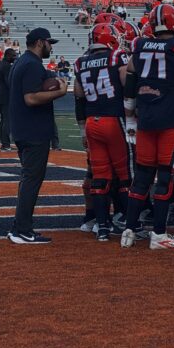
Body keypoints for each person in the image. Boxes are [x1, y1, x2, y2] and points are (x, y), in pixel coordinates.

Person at [120, 4, 174, 250]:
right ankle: (158, 233)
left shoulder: (139, 44)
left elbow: (130, 81)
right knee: (165, 177)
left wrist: (129, 117)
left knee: (142, 176)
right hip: (171, 119)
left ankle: (129, 230)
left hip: (146, 118)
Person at [7, 28, 68, 244]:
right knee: (32, 180)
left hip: (24, 128)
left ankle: (20, 227)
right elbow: (31, 98)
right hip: (33, 130)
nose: (51, 47)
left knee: (28, 179)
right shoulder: (32, 64)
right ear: (41, 42)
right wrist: (59, 92)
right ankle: (22, 229)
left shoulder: (22, 62)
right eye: (50, 43)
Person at [73, 24, 131, 241]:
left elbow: (79, 95)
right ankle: (128, 222)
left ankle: (102, 226)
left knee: (99, 176)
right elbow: (127, 84)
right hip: (114, 119)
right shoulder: (116, 57)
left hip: (91, 122)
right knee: (124, 175)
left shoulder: (80, 62)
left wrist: (82, 129)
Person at [0, 48, 16, 152]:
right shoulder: (6, 66)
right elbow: (9, 82)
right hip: (6, 96)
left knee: (4, 120)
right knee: (7, 120)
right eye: (13, 55)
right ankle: (6, 144)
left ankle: (4, 143)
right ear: (8, 55)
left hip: (0, 95)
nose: (14, 57)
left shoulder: (0, 65)